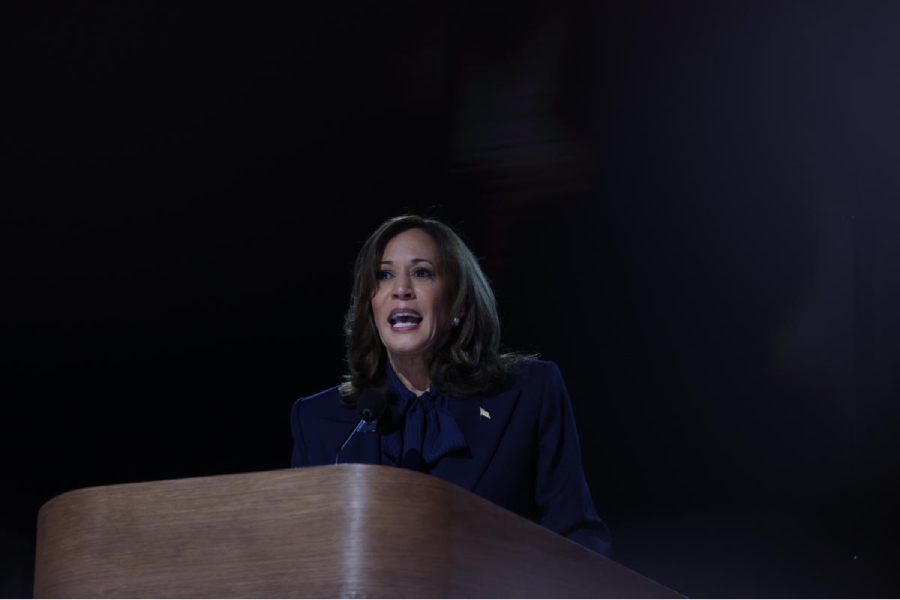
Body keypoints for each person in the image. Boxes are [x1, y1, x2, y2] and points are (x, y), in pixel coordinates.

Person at [290, 214, 611, 556]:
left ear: (458, 303)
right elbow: (300, 552)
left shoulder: (527, 394)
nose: (401, 289)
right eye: (384, 275)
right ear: (371, 304)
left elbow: (577, 535)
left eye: (422, 273)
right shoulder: (319, 421)